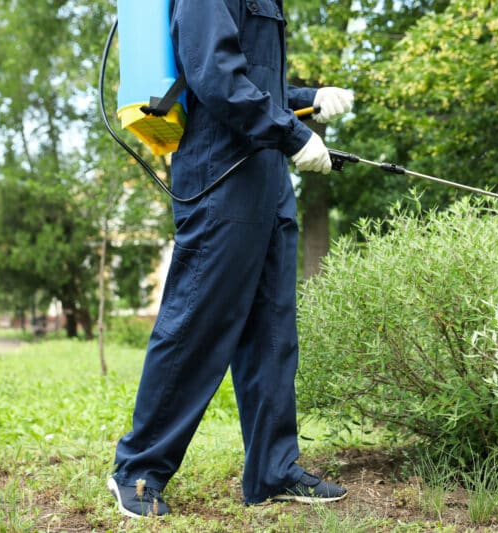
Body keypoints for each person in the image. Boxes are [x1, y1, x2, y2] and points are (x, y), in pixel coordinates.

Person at [107, 0, 353, 517]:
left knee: (273, 331)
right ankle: (139, 469)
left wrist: (307, 100)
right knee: (197, 322)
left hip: (266, 176)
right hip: (220, 174)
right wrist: (292, 134)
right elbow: (214, 74)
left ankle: (272, 470)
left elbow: (252, 77)